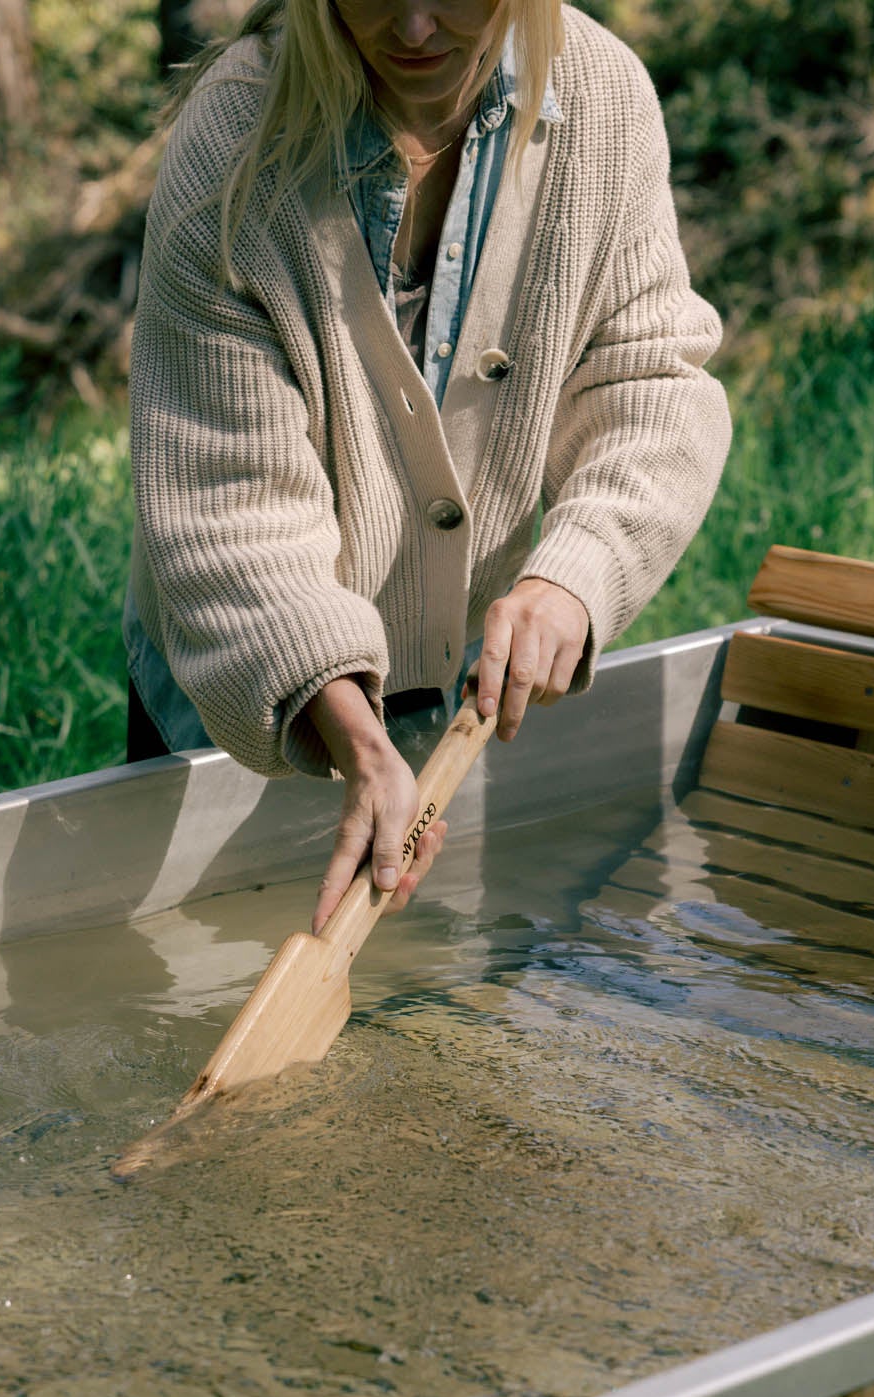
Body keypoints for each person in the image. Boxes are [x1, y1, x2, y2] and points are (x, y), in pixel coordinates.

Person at [123, 0, 730, 934]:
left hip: (450, 695)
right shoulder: (234, 142)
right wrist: (357, 742)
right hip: (249, 689)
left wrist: (576, 576)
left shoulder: (604, 100)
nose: (412, 30)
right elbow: (227, 504)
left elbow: (646, 382)